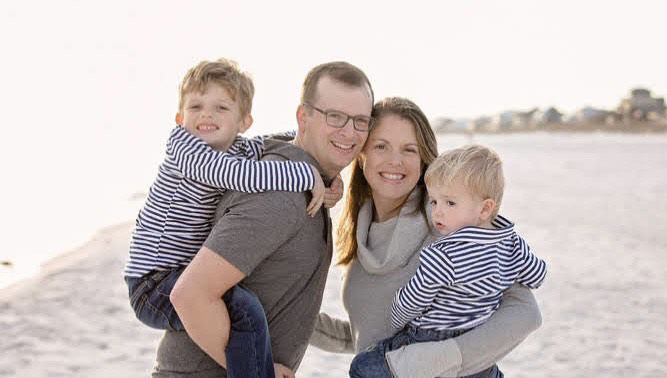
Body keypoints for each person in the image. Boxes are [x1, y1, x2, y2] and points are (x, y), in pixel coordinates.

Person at [152, 61, 375, 378]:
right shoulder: (279, 197)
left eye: (360, 122)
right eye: (335, 117)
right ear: (303, 117)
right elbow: (190, 295)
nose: (348, 131)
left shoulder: (302, 184)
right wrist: (257, 370)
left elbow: (280, 302)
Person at [310, 97, 544, 378]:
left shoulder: (449, 225)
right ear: (361, 154)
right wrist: (290, 320)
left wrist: (437, 359)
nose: (395, 161)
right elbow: (373, 334)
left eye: (409, 149)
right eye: (381, 146)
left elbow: (525, 312)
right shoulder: (359, 233)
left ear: (423, 160)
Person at [348, 144, 548, 378]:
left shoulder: (443, 254)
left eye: (450, 203)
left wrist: (395, 318)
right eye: (434, 201)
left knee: (362, 367)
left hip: (429, 336)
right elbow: (537, 275)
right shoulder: (512, 243)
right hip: (478, 335)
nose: (438, 212)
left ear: (485, 209)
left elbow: (413, 301)